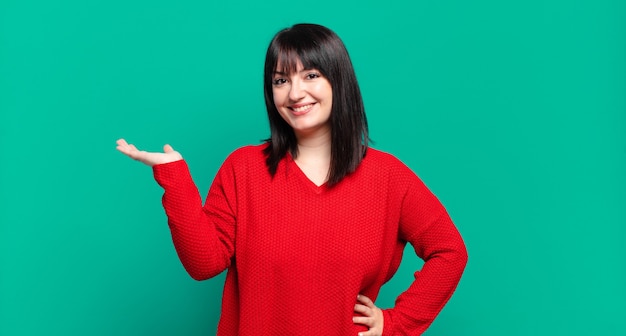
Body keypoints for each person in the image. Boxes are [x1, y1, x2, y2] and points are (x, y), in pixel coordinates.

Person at [116, 23, 467, 336]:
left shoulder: (388, 177)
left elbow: (450, 251)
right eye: (281, 80)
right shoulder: (243, 168)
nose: (295, 93)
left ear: (338, 81)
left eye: (311, 75)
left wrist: (394, 324)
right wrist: (174, 176)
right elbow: (204, 263)